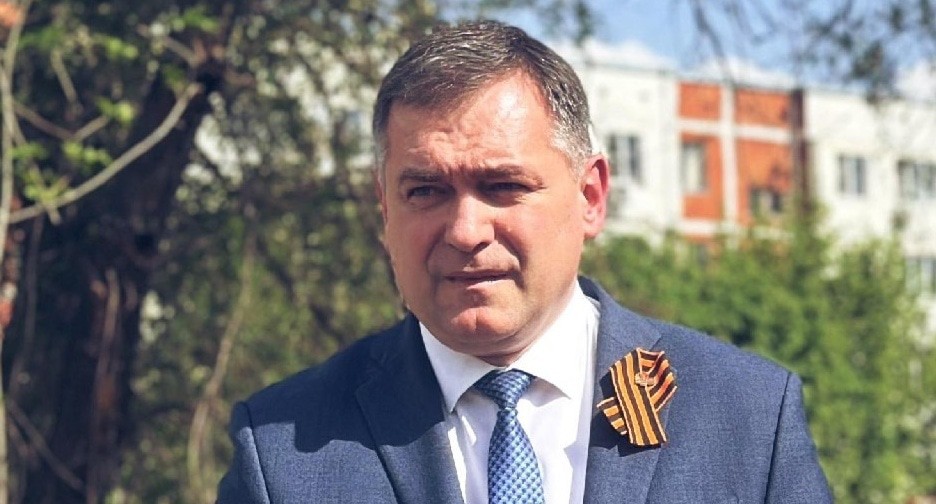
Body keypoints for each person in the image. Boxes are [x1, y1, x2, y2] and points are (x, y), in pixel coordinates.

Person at [217, 20, 832, 503]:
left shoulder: (745, 417)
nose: (465, 231)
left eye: (504, 186)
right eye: (425, 191)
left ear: (590, 197)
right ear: (385, 209)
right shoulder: (282, 450)